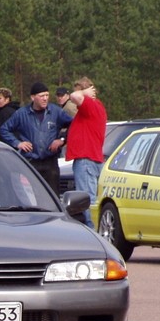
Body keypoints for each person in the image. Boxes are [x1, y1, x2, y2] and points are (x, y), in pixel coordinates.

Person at [0, 81, 73, 193]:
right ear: (33, 97)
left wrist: (62, 139)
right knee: (31, 196)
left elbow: (73, 125)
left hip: (50, 162)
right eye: (41, 96)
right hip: (30, 162)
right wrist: (17, 143)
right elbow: (4, 129)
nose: (45, 99)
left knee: (52, 196)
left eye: (47, 95)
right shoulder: (22, 114)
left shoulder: (55, 112)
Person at [66, 77, 107, 227]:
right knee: (88, 199)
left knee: (86, 200)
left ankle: (91, 231)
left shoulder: (90, 105)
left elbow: (74, 97)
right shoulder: (92, 108)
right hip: (88, 159)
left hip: (86, 160)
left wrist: (83, 93)